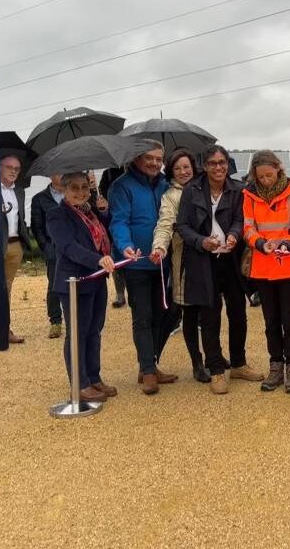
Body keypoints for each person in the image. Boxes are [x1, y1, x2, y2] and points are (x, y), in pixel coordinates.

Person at [176, 145, 264, 394]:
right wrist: (201, 241)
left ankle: (238, 363)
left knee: (238, 314)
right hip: (203, 261)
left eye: (223, 162)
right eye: (213, 163)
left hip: (231, 261)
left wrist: (235, 235)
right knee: (210, 316)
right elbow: (182, 225)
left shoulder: (238, 189)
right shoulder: (191, 190)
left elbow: (240, 219)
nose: (219, 167)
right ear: (204, 165)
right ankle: (215, 369)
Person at [108, 141, 179, 395]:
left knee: (164, 314)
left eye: (159, 159)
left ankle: (150, 363)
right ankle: (147, 370)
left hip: (162, 261)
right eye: (149, 158)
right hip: (136, 262)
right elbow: (118, 221)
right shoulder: (121, 186)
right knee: (143, 316)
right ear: (137, 158)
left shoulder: (165, 185)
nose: (155, 163)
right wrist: (125, 245)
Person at [243, 150, 290, 394]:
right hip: (263, 266)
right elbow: (248, 228)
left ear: (278, 169)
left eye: (269, 175)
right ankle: (275, 365)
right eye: (260, 177)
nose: (265, 180)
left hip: (289, 264)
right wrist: (260, 243)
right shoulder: (249, 194)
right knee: (271, 321)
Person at [46, 172, 117, 403]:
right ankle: (80, 383)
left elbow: (103, 234)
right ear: (64, 190)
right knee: (77, 334)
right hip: (75, 281)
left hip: (97, 279)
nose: (80, 192)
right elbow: (67, 246)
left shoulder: (90, 211)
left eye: (84, 187)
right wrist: (96, 259)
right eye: (74, 188)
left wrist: (104, 211)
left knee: (94, 330)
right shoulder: (57, 215)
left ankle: (94, 377)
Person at [151, 149, 209, 384]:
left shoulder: (206, 188)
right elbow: (165, 225)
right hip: (185, 259)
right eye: (177, 168)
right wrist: (160, 247)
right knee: (190, 312)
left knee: (210, 312)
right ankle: (197, 362)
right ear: (171, 172)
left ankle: (214, 355)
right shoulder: (171, 197)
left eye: (186, 167)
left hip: (209, 256)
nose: (184, 172)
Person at [0, 153, 33, 344]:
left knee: (7, 289)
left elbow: (20, 217)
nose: (13, 171)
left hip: (14, 246)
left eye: (17, 169)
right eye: (9, 167)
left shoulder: (19, 191)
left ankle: (5, 330)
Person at [30, 174, 66, 339]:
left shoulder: (74, 193)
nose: (62, 175)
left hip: (74, 246)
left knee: (77, 283)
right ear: (51, 175)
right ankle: (56, 321)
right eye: (59, 172)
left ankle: (76, 318)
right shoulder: (39, 199)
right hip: (53, 248)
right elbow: (37, 228)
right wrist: (46, 248)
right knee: (54, 285)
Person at [100, 167, 127, 308]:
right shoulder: (109, 172)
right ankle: (120, 293)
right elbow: (102, 192)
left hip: (132, 218)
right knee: (116, 257)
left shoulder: (138, 169)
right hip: (114, 215)